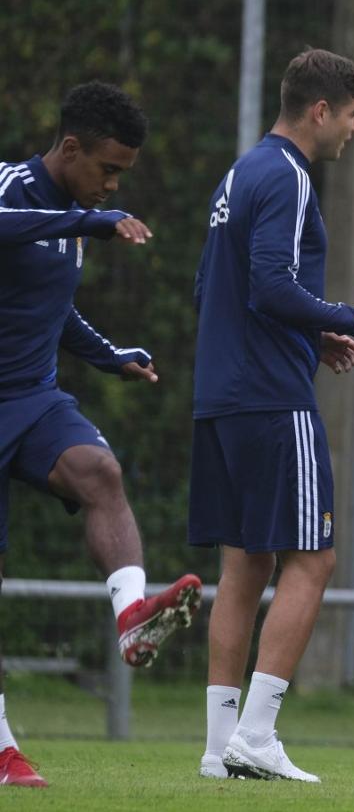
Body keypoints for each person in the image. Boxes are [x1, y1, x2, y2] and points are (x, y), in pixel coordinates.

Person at [0, 82, 203, 789]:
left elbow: (52, 306)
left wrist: (109, 354)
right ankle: (1, 749)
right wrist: (90, 220)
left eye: (121, 177)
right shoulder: (13, 188)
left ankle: (132, 619)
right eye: (107, 170)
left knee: (100, 472)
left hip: (29, 398)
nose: (112, 186)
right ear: (71, 147)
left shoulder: (75, 213)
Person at [189, 49, 354, 783]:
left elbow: (217, 287)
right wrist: (345, 317)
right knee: (316, 557)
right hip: (272, 400)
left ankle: (217, 748)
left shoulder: (240, 173)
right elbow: (270, 282)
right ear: (321, 110)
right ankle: (258, 735)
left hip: (222, 396)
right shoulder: (292, 176)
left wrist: (311, 333)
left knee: (245, 563)